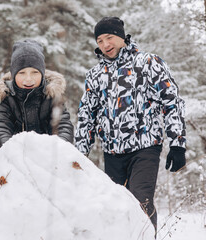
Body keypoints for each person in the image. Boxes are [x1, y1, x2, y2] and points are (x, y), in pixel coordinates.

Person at [75, 17, 186, 231]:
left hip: (145, 147)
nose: (106, 45)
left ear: (122, 37)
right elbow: (86, 115)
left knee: (140, 202)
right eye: (100, 40)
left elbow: (171, 102)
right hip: (112, 152)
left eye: (110, 38)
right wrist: (80, 156)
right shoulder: (95, 75)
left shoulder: (148, 63)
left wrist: (177, 144)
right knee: (115, 210)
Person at [0, 39, 74, 152]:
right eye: (22, 73)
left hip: (48, 157)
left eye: (35, 72)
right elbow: (0, 126)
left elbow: (62, 125)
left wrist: (60, 148)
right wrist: (10, 151)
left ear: (42, 74)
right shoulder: (6, 97)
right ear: (14, 75)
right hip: (14, 158)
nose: (29, 79)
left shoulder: (51, 95)